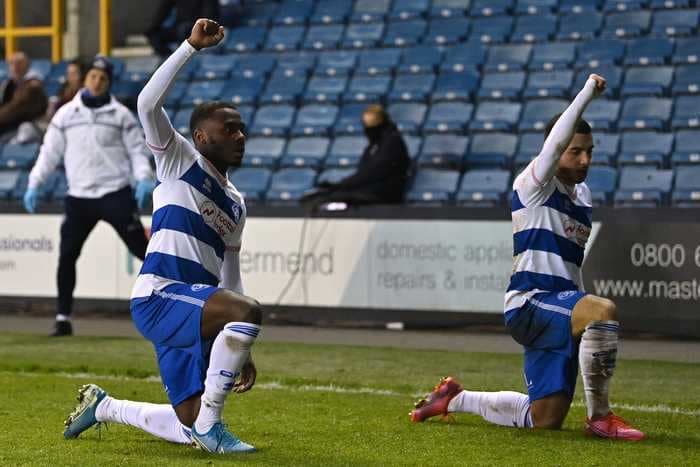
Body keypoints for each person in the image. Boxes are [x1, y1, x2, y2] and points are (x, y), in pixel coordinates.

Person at [62, 19, 261, 454]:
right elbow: (148, 103)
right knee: (246, 314)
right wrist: (190, 46)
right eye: (229, 129)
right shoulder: (177, 160)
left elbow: (231, 276)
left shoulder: (237, 203)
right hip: (159, 298)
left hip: (194, 307)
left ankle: (105, 406)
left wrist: (241, 337)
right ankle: (213, 431)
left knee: (187, 421)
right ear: (201, 137)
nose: (240, 136)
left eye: (242, 128)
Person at [409, 75, 645, 441]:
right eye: (575, 151)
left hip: (560, 308)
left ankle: (454, 398)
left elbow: (572, 266)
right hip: (531, 303)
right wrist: (586, 94)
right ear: (558, 148)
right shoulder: (534, 185)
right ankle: (600, 418)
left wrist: (583, 324)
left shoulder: (582, 197)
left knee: (544, 419)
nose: (585, 159)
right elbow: (551, 148)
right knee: (604, 310)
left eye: (590, 152)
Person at [24, 55, 155, 337]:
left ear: (109, 83)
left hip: (115, 193)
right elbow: (49, 153)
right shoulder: (66, 115)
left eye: (103, 78)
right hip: (79, 197)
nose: (97, 81)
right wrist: (35, 183)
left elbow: (137, 152)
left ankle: (177, 304)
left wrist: (144, 178)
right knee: (67, 256)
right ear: (85, 79)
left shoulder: (120, 115)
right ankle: (62, 318)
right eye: (93, 76)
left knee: (143, 251)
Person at [300, 104, 411, 210]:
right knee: (319, 196)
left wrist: (341, 186)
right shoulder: (374, 146)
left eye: (372, 127)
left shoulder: (393, 143)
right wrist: (337, 187)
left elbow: (373, 173)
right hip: (369, 189)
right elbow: (364, 172)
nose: (368, 131)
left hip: (385, 193)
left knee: (336, 196)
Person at [0, 51, 48, 142]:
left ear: (27, 66)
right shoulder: (8, 85)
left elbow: (16, 109)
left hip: (26, 127)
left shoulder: (33, 87)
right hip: (8, 126)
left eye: (19, 63)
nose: (15, 67)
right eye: (11, 63)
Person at [145, 0, 220, 58]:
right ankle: (169, 57)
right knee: (154, 34)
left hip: (198, 28)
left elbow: (209, 16)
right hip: (179, 27)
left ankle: (183, 58)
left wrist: (201, 27)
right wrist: (153, 28)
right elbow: (163, 10)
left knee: (183, 29)